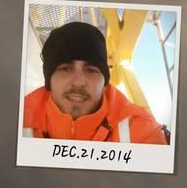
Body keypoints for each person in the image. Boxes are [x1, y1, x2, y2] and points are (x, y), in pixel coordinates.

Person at [23, 21, 167, 143]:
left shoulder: (144, 133)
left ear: (105, 83)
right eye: (65, 69)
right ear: (48, 80)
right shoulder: (16, 120)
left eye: (91, 70)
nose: (79, 82)